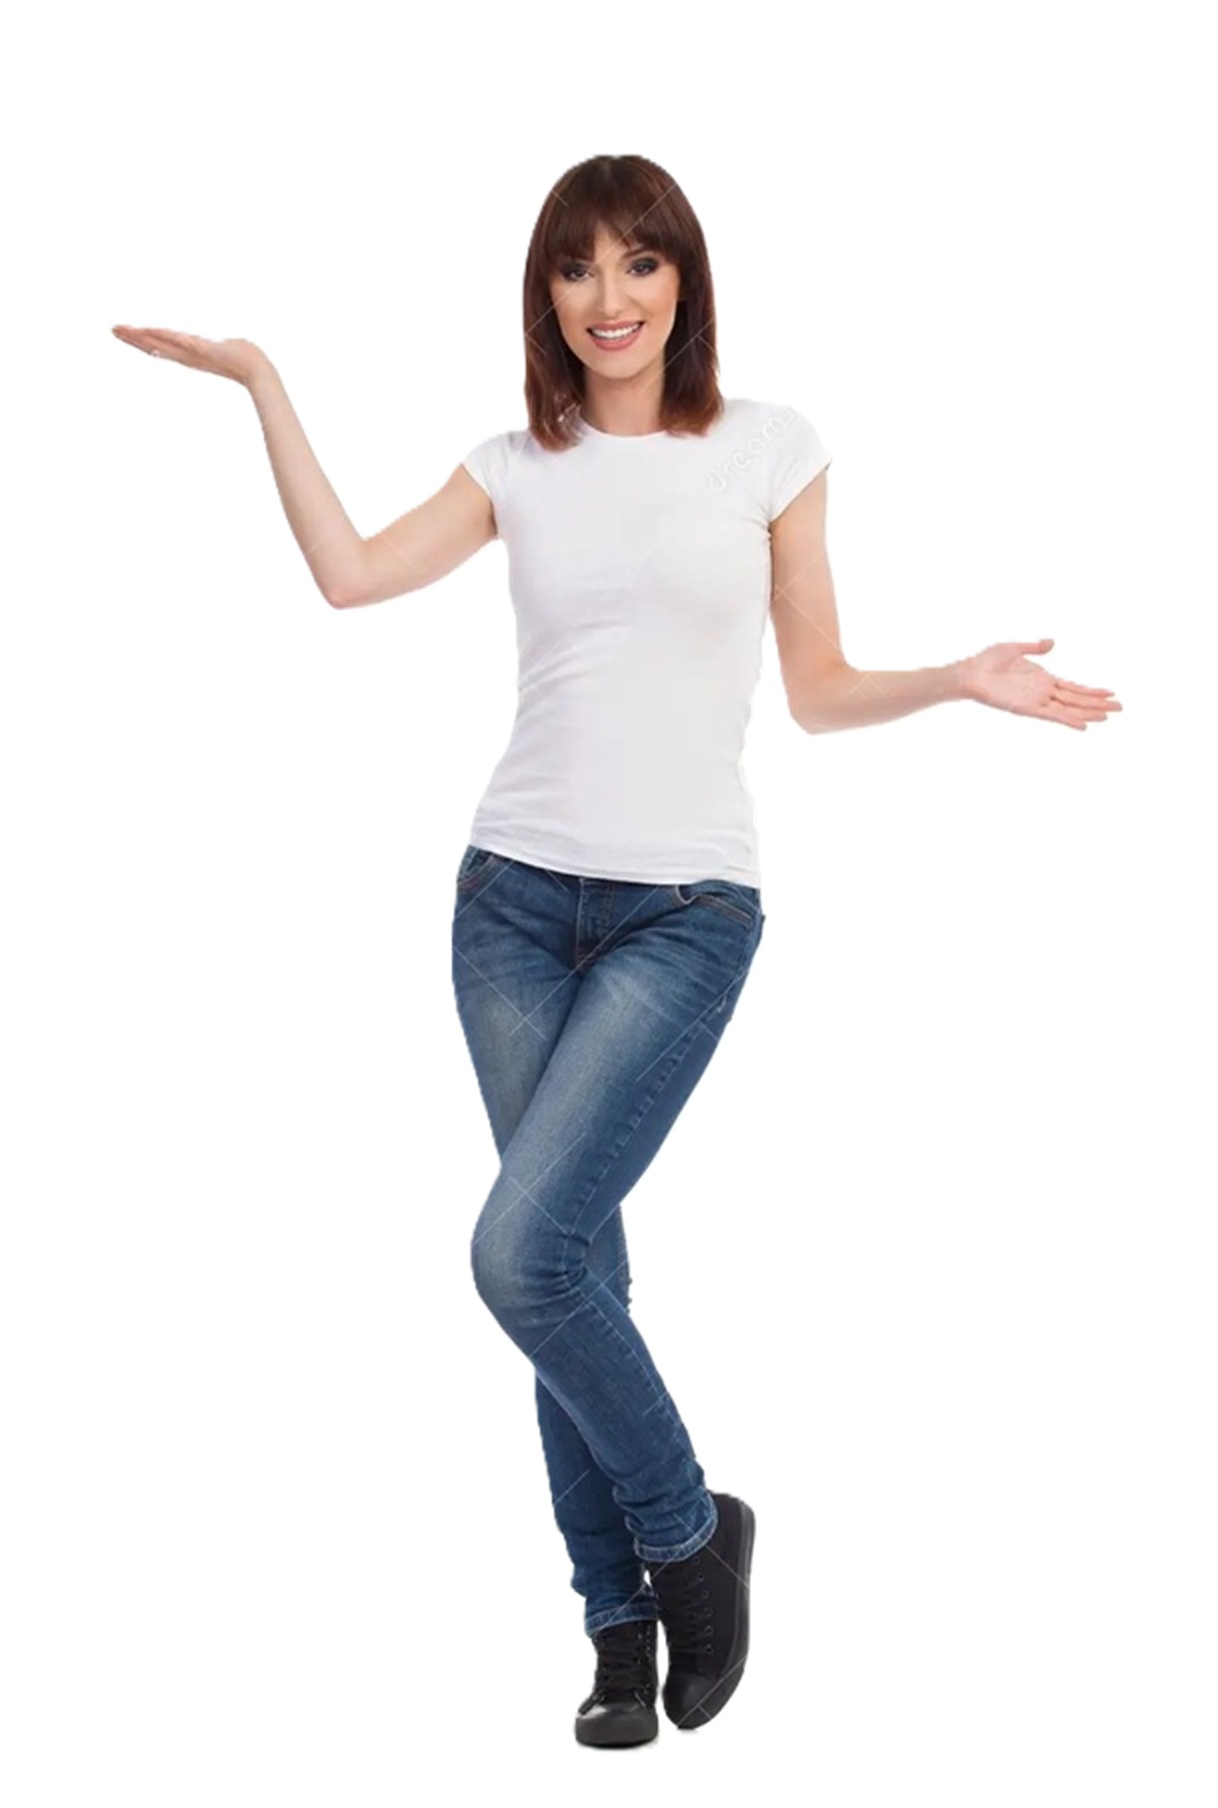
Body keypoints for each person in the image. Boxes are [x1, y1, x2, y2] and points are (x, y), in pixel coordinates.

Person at [112, 152, 1122, 1751]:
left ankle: (685, 1529)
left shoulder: (770, 448)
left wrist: (949, 678)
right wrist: (261, 383)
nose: (609, 297)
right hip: (510, 904)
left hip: (683, 913)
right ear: (545, 293)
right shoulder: (517, 464)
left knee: (521, 1258)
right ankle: (617, 1631)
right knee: (574, 1273)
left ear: (682, 283)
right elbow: (350, 577)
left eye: (639, 264)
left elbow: (814, 691)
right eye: (577, 267)